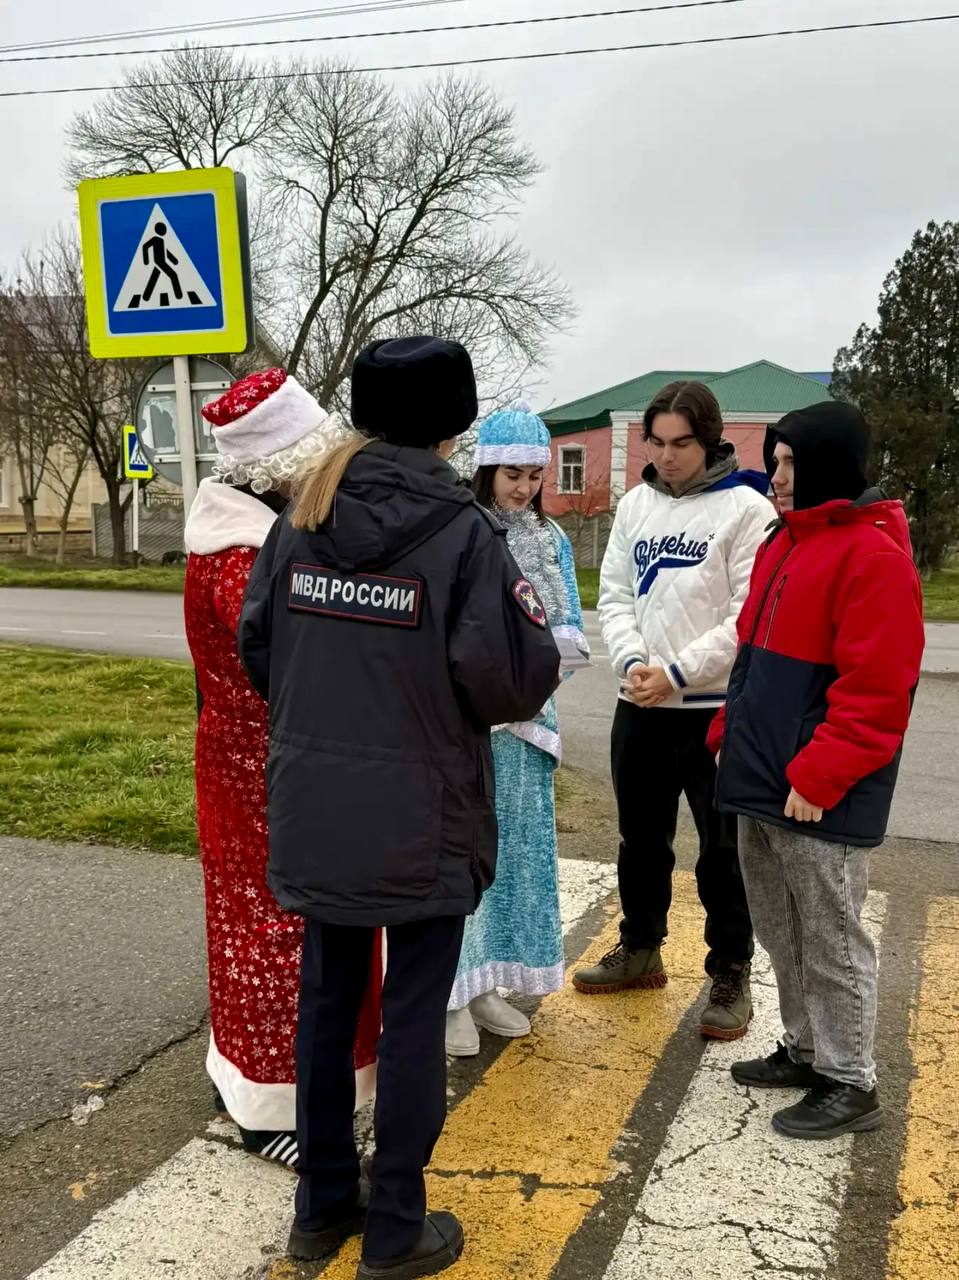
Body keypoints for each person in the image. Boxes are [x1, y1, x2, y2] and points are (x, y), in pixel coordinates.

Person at [238, 337, 560, 1278]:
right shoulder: (465, 535)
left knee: (328, 1001)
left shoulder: (302, 515)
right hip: (425, 812)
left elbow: (261, 648)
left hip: (317, 803)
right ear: (455, 427)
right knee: (414, 1015)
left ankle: (319, 1207)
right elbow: (509, 681)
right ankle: (395, 1229)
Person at [184, 368, 383, 1168]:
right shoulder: (247, 557)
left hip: (244, 762)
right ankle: (271, 1108)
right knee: (278, 934)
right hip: (267, 768)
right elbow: (298, 666)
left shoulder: (239, 538)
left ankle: (241, 1076)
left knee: (251, 924)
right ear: (285, 468)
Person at [709, 401, 924, 1138]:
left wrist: (820, 774)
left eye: (790, 463)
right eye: (773, 462)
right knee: (780, 928)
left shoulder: (872, 556)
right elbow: (750, 657)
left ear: (830, 464)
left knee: (831, 939)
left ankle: (849, 1080)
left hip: (813, 791)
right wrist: (724, 731)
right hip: (761, 776)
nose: (775, 477)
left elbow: (877, 690)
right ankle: (805, 1050)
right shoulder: (784, 541)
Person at [573, 380, 771, 1040]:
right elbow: (616, 597)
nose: (664, 455)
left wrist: (679, 673)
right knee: (640, 838)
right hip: (641, 703)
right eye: (654, 442)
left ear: (709, 439)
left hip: (712, 709)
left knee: (721, 849)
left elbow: (749, 616)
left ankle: (729, 970)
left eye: (679, 443)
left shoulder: (745, 509)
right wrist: (633, 666)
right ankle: (640, 946)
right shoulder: (635, 504)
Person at [445, 406, 589, 1056]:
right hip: (472, 724)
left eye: (534, 475)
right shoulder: (461, 530)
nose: (524, 487)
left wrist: (536, 685)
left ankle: (490, 983)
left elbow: (567, 629)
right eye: (512, 473)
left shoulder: (550, 538)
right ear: (484, 469)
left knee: (514, 862)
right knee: (465, 861)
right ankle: (448, 992)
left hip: (529, 724)